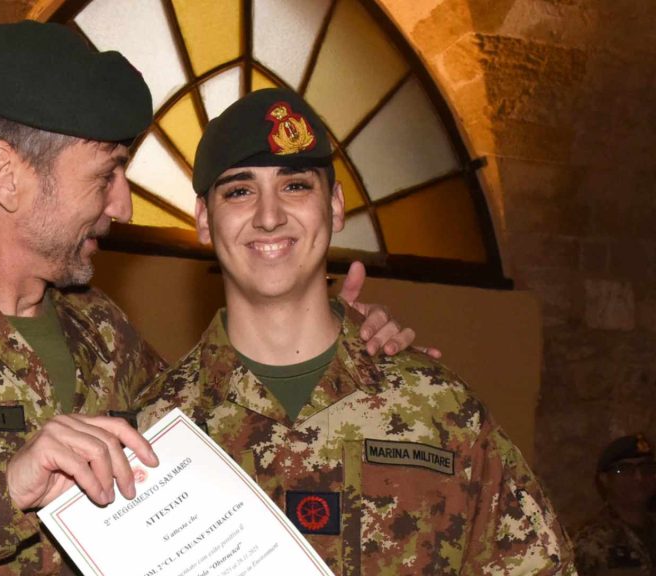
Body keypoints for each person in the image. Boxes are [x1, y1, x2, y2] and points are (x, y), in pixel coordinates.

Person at [0, 22, 420, 575]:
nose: (122, 205)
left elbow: (219, 427)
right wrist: (2, 492)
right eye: (105, 175)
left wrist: (330, 342)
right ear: (6, 175)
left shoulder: (103, 335)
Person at [138, 87, 577, 575]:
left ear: (335, 206)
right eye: (240, 191)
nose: (269, 217)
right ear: (204, 219)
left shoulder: (443, 412)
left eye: (295, 186)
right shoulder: (152, 433)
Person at [573, 434, 656, 575]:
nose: (639, 477)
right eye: (624, 469)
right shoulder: (590, 540)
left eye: (646, 468)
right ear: (605, 479)